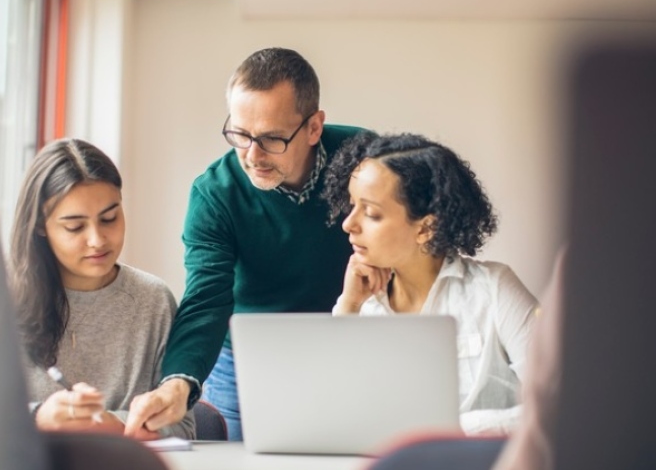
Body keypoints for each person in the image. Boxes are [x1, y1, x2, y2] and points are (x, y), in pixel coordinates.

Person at [124, 47, 365, 441]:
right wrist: (176, 383)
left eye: (271, 139)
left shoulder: (363, 159)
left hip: (346, 340)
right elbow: (206, 298)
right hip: (243, 360)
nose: (252, 156)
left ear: (314, 127)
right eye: (239, 134)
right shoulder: (214, 194)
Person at [321, 131, 539, 435]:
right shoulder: (362, 306)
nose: (348, 223)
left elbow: (558, 403)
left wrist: (451, 432)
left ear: (426, 228)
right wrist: (348, 307)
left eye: (370, 213)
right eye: (351, 205)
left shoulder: (495, 290)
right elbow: (331, 414)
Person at [9, 138, 195, 440]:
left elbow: (184, 426)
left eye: (109, 218)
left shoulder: (153, 301)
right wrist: (37, 416)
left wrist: (113, 424)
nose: (97, 240)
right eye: (75, 227)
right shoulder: (1, 301)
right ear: (41, 226)